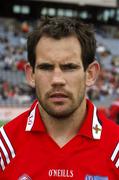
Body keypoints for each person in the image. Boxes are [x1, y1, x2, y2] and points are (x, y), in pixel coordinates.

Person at [0, 16, 119, 180]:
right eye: (46, 67)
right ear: (31, 74)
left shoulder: (116, 149)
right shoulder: (3, 146)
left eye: (69, 67)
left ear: (90, 74)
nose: (57, 80)